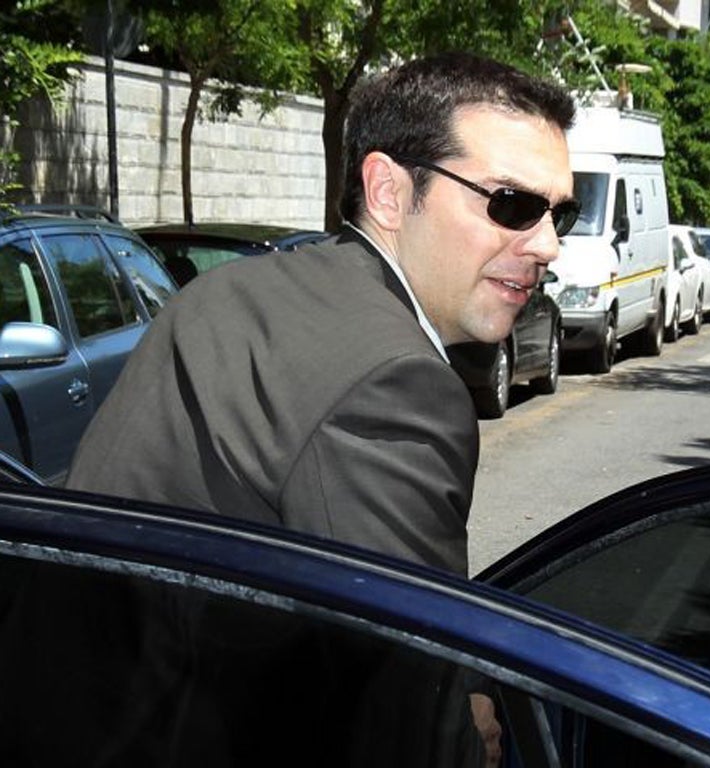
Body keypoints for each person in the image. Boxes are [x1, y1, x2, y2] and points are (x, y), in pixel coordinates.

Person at [49, 52, 579, 766]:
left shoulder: (235, 291)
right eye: (511, 204)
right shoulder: (397, 384)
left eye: (560, 214)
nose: (546, 244)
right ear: (390, 192)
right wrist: (465, 728)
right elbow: (409, 710)